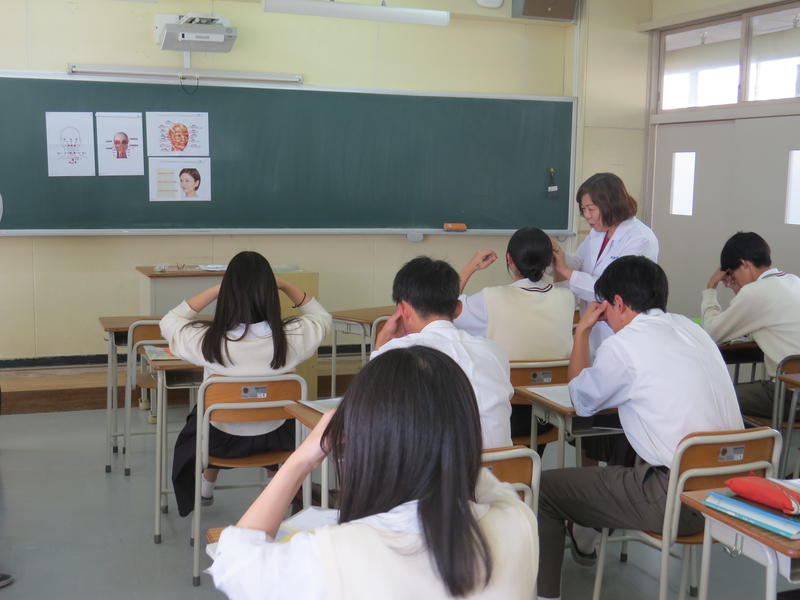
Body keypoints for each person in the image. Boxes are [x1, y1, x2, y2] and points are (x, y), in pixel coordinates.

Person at [208, 346, 539, 600]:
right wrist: (438, 437)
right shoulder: (518, 521)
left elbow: (233, 562)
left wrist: (301, 460)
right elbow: (482, 481)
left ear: (366, 440)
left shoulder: (333, 556)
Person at [536, 256, 743, 600]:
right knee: (626, 444)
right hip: (735, 494)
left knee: (545, 490)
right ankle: (590, 535)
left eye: (604, 307)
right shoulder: (692, 329)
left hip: (681, 499)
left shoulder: (624, 345)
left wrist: (582, 331)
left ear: (617, 302)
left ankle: (546, 595)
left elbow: (581, 400)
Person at [160, 251, 331, 516]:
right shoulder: (293, 336)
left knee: (206, 413)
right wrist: (286, 285)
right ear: (270, 293)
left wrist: (216, 290)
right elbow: (322, 317)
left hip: (219, 441)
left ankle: (205, 486)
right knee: (275, 411)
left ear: (227, 294)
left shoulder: (206, 340)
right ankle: (277, 489)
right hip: (278, 438)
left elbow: (169, 322)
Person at [372, 256, 513, 449]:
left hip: (440, 466)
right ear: (458, 309)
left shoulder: (398, 351)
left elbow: (371, 408)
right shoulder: (494, 351)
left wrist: (380, 346)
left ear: (403, 309)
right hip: (505, 464)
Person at [551, 172, 659, 353]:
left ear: (610, 204)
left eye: (591, 209)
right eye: (583, 209)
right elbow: (578, 262)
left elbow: (612, 291)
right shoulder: (599, 231)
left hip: (621, 332)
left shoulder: (640, 239)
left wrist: (566, 271)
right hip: (595, 327)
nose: (586, 215)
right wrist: (555, 255)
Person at [701, 231, 800, 419]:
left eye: (732, 274)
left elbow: (711, 333)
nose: (731, 281)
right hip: (795, 391)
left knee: (712, 396)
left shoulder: (756, 293)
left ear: (744, 264)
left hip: (790, 397)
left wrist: (711, 288)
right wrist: (741, 290)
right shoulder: (793, 281)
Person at [455, 227, 575, 360]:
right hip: (560, 374)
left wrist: (471, 266)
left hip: (505, 373)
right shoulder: (567, 298)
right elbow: (559, 290)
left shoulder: (490, 298)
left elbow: (446, 311)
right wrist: (560, 266)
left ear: (509, 259)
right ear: (549, 260)